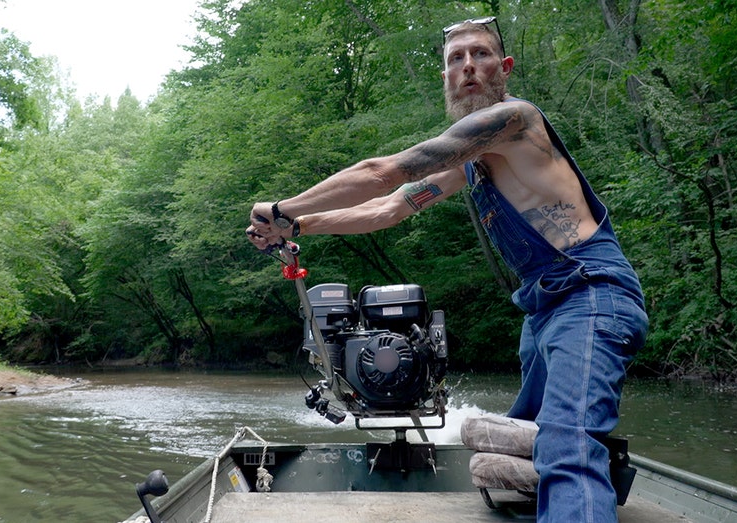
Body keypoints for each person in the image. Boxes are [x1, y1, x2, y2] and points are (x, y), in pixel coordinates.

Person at [246, 17, 648, 523]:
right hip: (544, 308)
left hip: (591, 295)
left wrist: (282, 208)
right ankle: (589, 485)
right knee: (518, 446)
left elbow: (381, 173)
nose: (468, 68)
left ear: (504, 69)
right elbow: (386, 209)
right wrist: (297, 225)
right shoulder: (472, 162)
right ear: (445, 78)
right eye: (456, 60)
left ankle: (584, 484)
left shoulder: (513, 121)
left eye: (480, 55)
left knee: (567, 445)